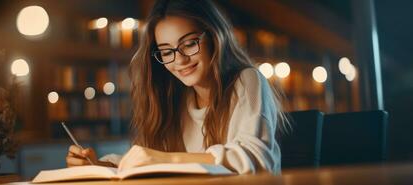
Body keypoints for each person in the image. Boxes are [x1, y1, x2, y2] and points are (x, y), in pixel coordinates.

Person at [66, 0, 287, 174]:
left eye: (189, 43)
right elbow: (146, 159)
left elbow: (256, 159)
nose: (179, 60)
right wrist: (98, 165)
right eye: (166, 51)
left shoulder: (247, 80)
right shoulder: (175, 100)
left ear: (215, 36)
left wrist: (165, 158)